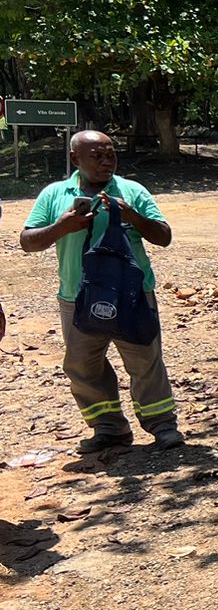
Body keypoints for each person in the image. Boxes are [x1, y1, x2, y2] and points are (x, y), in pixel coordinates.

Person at [19, 130, 183, 452]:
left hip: (132, 295)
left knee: (145, 361)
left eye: (111, 155)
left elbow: (163, 237)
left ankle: (162, 425)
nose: (106, 162)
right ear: (74, 159)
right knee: (82, 367)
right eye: (97, 156)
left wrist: (131, 215)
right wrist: (62, 226)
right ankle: (109, 429)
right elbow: (27, 242)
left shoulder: (132, 191)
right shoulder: (54, 194)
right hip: (76, 297)